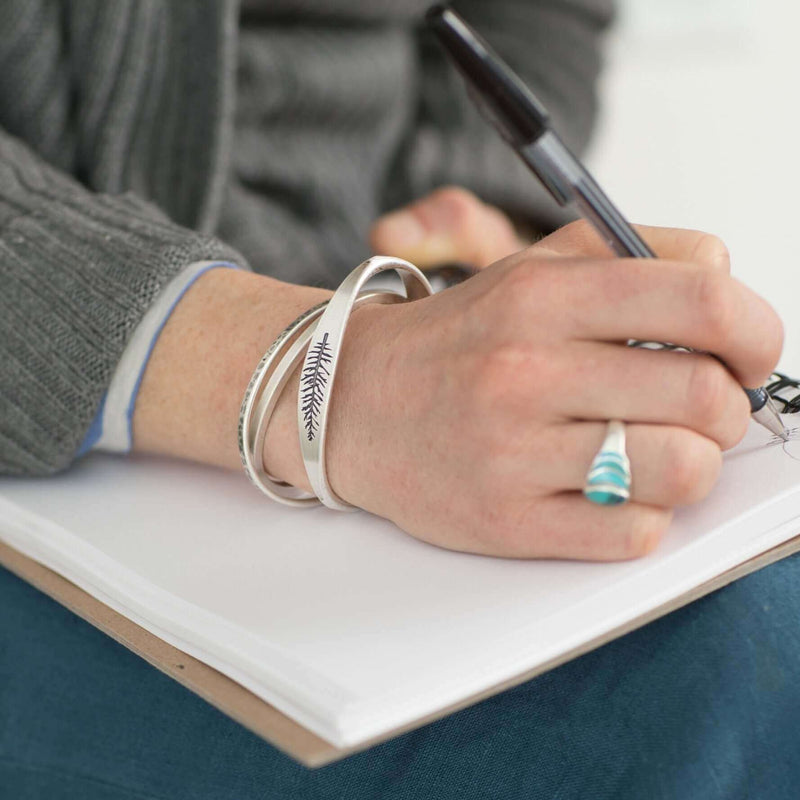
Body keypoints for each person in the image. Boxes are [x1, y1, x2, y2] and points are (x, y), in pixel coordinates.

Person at [2, 1, 798, 798]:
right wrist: (338, 379)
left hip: (390, 302)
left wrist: (466, 216)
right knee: (699, 682)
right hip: (43, 421)